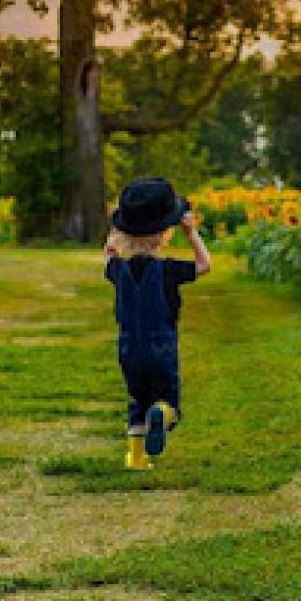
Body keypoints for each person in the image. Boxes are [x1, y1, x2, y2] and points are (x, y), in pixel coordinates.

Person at [103, 177, 211, 470]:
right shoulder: (168, 270)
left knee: (137, 399)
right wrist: (191, 234)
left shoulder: (118, 270)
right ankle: (162, 414)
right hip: (161, 346)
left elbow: (108, 256)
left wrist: (114, 235)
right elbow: (204, 266)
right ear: (165, 233)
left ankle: (136, 457)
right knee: (168, 400)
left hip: (128, 349)